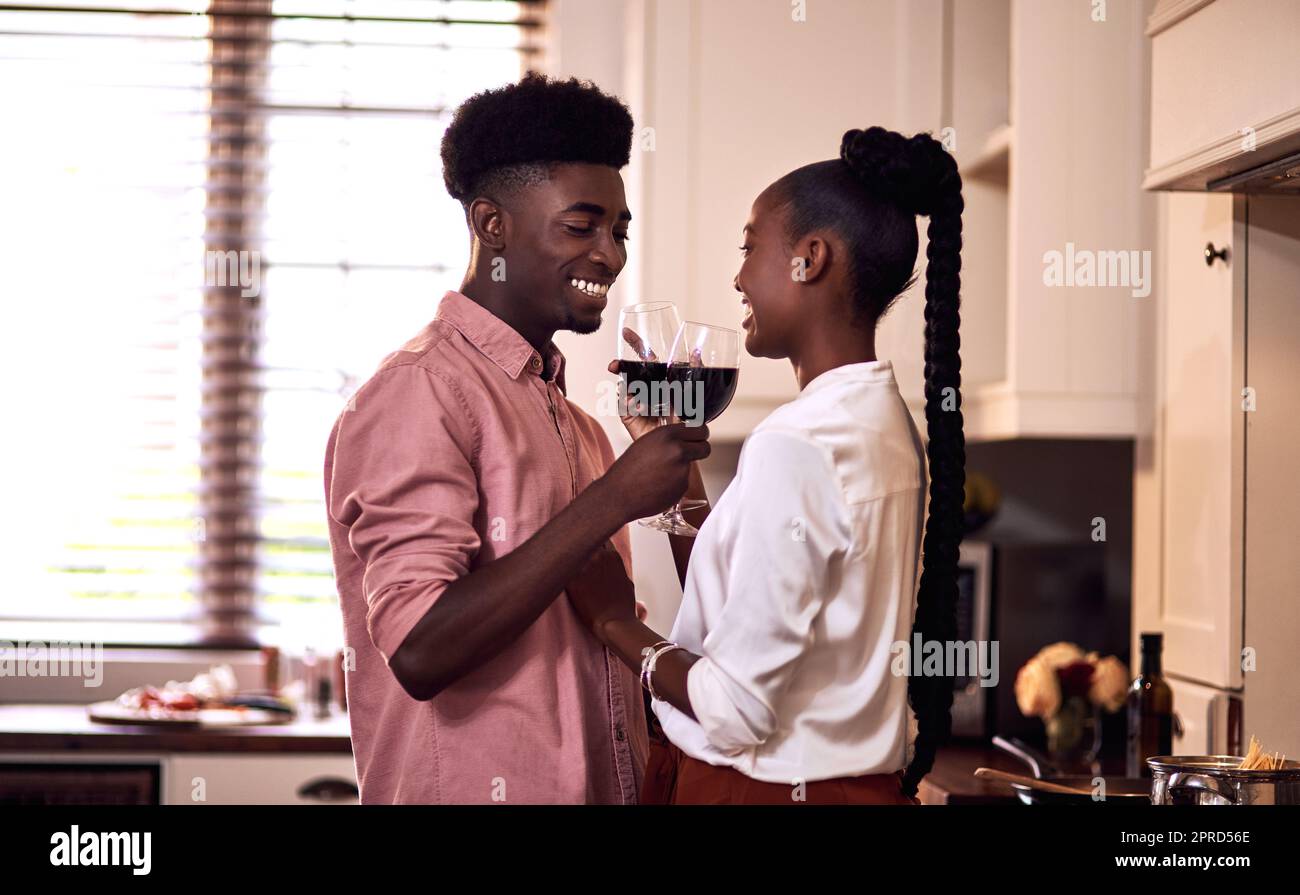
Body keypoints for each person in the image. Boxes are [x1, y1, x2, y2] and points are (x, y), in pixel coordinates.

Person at [323, 73, 711, 804]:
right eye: (581, 224)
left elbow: (611, 640)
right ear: (491, 225)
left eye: (620, 230)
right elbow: (420, 649)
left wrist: (676, 471)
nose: (610, 255)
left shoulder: (581, 424)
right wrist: (613, 498)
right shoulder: (418, 392)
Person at [567, 125, 966, 804]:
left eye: (751, 246)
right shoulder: (880, 421)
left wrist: (615, 624)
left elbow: (732, 708)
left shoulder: (798, 441)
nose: (738, 276)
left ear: (811, 258)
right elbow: (750, 607)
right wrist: (673, 454)